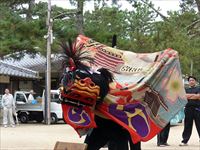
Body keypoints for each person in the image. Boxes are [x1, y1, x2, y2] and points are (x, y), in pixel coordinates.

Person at [179, 76, 200, 146]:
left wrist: (189, 96)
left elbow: (199, 96)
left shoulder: (198, 88)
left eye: (193, 80)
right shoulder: (185, 89)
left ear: (195, 81)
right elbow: (184, 96)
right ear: (188, 82)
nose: (191, 81)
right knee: (187, 125)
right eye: (190, 80)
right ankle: (185, 141)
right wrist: (194, 95)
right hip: (188, 109)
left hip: (197, 109)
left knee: (199, 125)